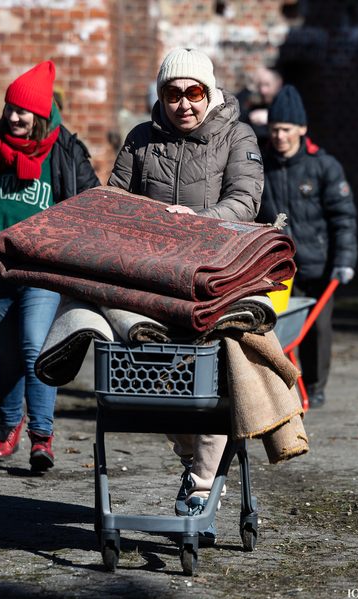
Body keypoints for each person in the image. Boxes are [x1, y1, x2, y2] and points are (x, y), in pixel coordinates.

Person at [108, 47, 263, 545]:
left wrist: (198, 221)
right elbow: (116, 200)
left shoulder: (236, 135)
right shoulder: (141, 138)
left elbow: (245, 199)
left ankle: (200, 485)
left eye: (194, 92)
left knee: (208, 387)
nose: (184, 104)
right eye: (172, 94)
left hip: (212, 281)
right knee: (155, 385)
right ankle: (196, 461)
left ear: (209, 92)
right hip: (152, 284)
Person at [0, 61, 100, 471]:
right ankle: (9, 426)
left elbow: (93, 201)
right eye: (10, 108)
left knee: (35, 348)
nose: (13, 117)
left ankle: (41, 436)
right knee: (6, 355)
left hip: (41, 272)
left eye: (22, 111)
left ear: (40, 114)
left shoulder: (65, 151)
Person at [255, 85, 357, 409]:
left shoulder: (323, 166)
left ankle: (314, 387)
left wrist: (345, 260)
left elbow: (343, 218)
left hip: (317, 265)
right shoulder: (259, 164)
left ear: (302, 128)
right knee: (275, 326)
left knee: (317, 329)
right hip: (277, 266)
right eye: (274, 129)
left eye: (286, 129)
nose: (279, 136)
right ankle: (281, 387)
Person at [237, 65, 283, 148]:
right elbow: (234, 110)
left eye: (267, 85)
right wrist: (251, 85)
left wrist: (271, 117)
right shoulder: (256, 110)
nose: (262, 90)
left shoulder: (285, 109)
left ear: (278, 83)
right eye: (260, 85)